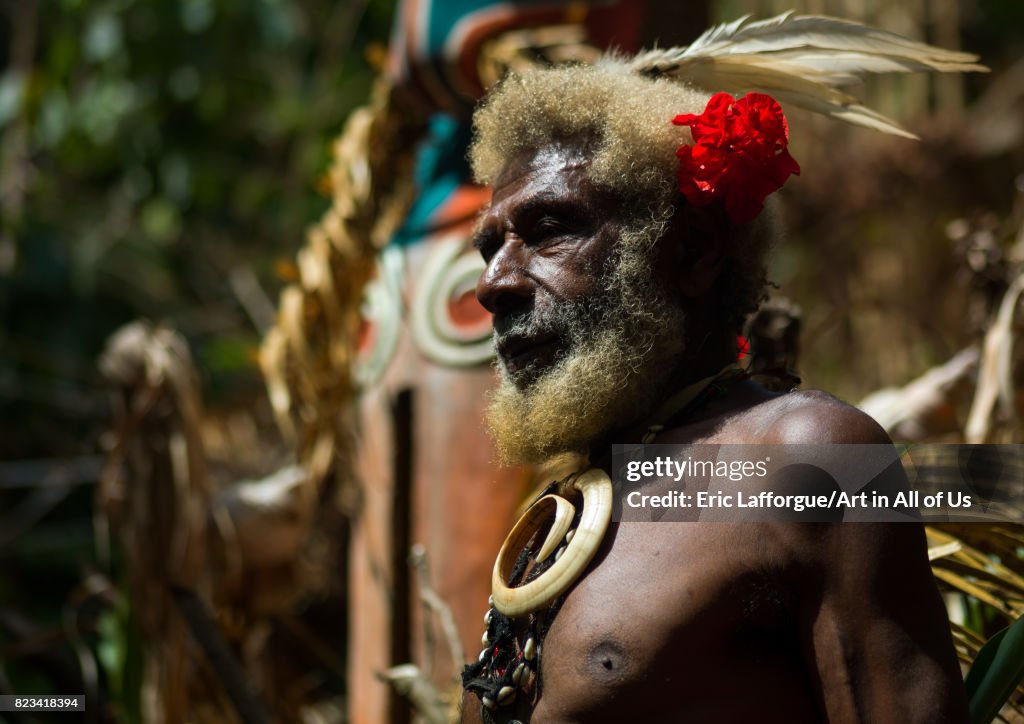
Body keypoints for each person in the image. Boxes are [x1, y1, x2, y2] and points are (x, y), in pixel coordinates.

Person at [457, 35, 975, 724]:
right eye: (491, 246)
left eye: (550, 227)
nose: (495, 283)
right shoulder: (567, 511)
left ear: (694, 251)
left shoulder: (810, 456)